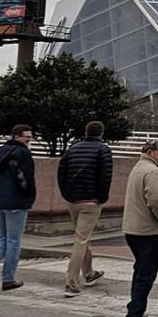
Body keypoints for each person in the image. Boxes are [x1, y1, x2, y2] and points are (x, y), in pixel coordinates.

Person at [122, 139, 158, 317]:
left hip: (133, 228)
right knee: (146, 274)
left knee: (140, 271)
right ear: (152, 151)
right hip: (147, 229)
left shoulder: (139, 167)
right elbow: (156, 199)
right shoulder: (153, 172)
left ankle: (135, 310)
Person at [57, 120, 113, 298]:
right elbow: (105, 176)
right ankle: (71, 282)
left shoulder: (73, 148)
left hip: (73, 199)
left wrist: (66, 194)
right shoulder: (103, 150)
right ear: (101, 133)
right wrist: (102, 198)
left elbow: (61, 172)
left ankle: (88, 273)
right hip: (91, 201)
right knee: (81, 240)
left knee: (83, 238)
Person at [0, 124, 37, 291]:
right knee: (14, 240)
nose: (29, 140)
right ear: (17, 136)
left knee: (2, 237)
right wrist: (29, 196)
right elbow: (25, 179)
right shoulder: (23, 154)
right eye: (27, 137)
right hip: (16, 201)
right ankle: (8, 278)